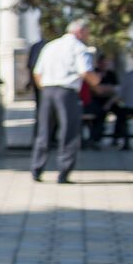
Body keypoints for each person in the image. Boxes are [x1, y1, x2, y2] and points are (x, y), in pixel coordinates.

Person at [31, 18, 100, 183]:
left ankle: (36, 169)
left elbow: (37, 72)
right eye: (87, 32)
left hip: (47, 90)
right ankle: (64, 172)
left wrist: (45, 88)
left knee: (44, 131)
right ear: (80, 31)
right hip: (66, 91)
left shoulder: (50, 46)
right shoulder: (78, 48)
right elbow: (85, 71)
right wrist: (97, 82)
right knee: (69, 131)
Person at [81, 55, 118, 147]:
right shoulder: (92, 73)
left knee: (120, 111)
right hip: (93, 102)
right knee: (100, 113)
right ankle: (95, 138)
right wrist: (107, 88)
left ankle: (117, 137)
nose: (105, 64)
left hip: (108, 101)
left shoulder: (111, 74)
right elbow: (97, 90)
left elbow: (117, 89)